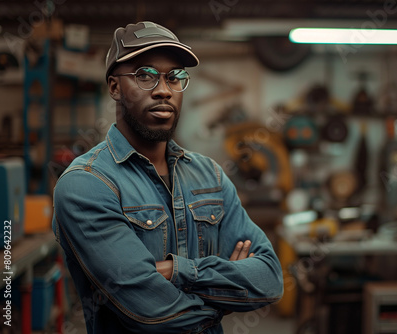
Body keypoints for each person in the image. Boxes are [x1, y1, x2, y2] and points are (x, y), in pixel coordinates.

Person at [52, 21, 284, 333]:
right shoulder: (86, 184)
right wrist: (225, 296)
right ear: (114, 87)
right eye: (145, 75)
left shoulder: (210, 176)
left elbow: (269, 280)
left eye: (175, 77)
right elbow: (152, 314)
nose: (164, 90)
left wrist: (177, 272)